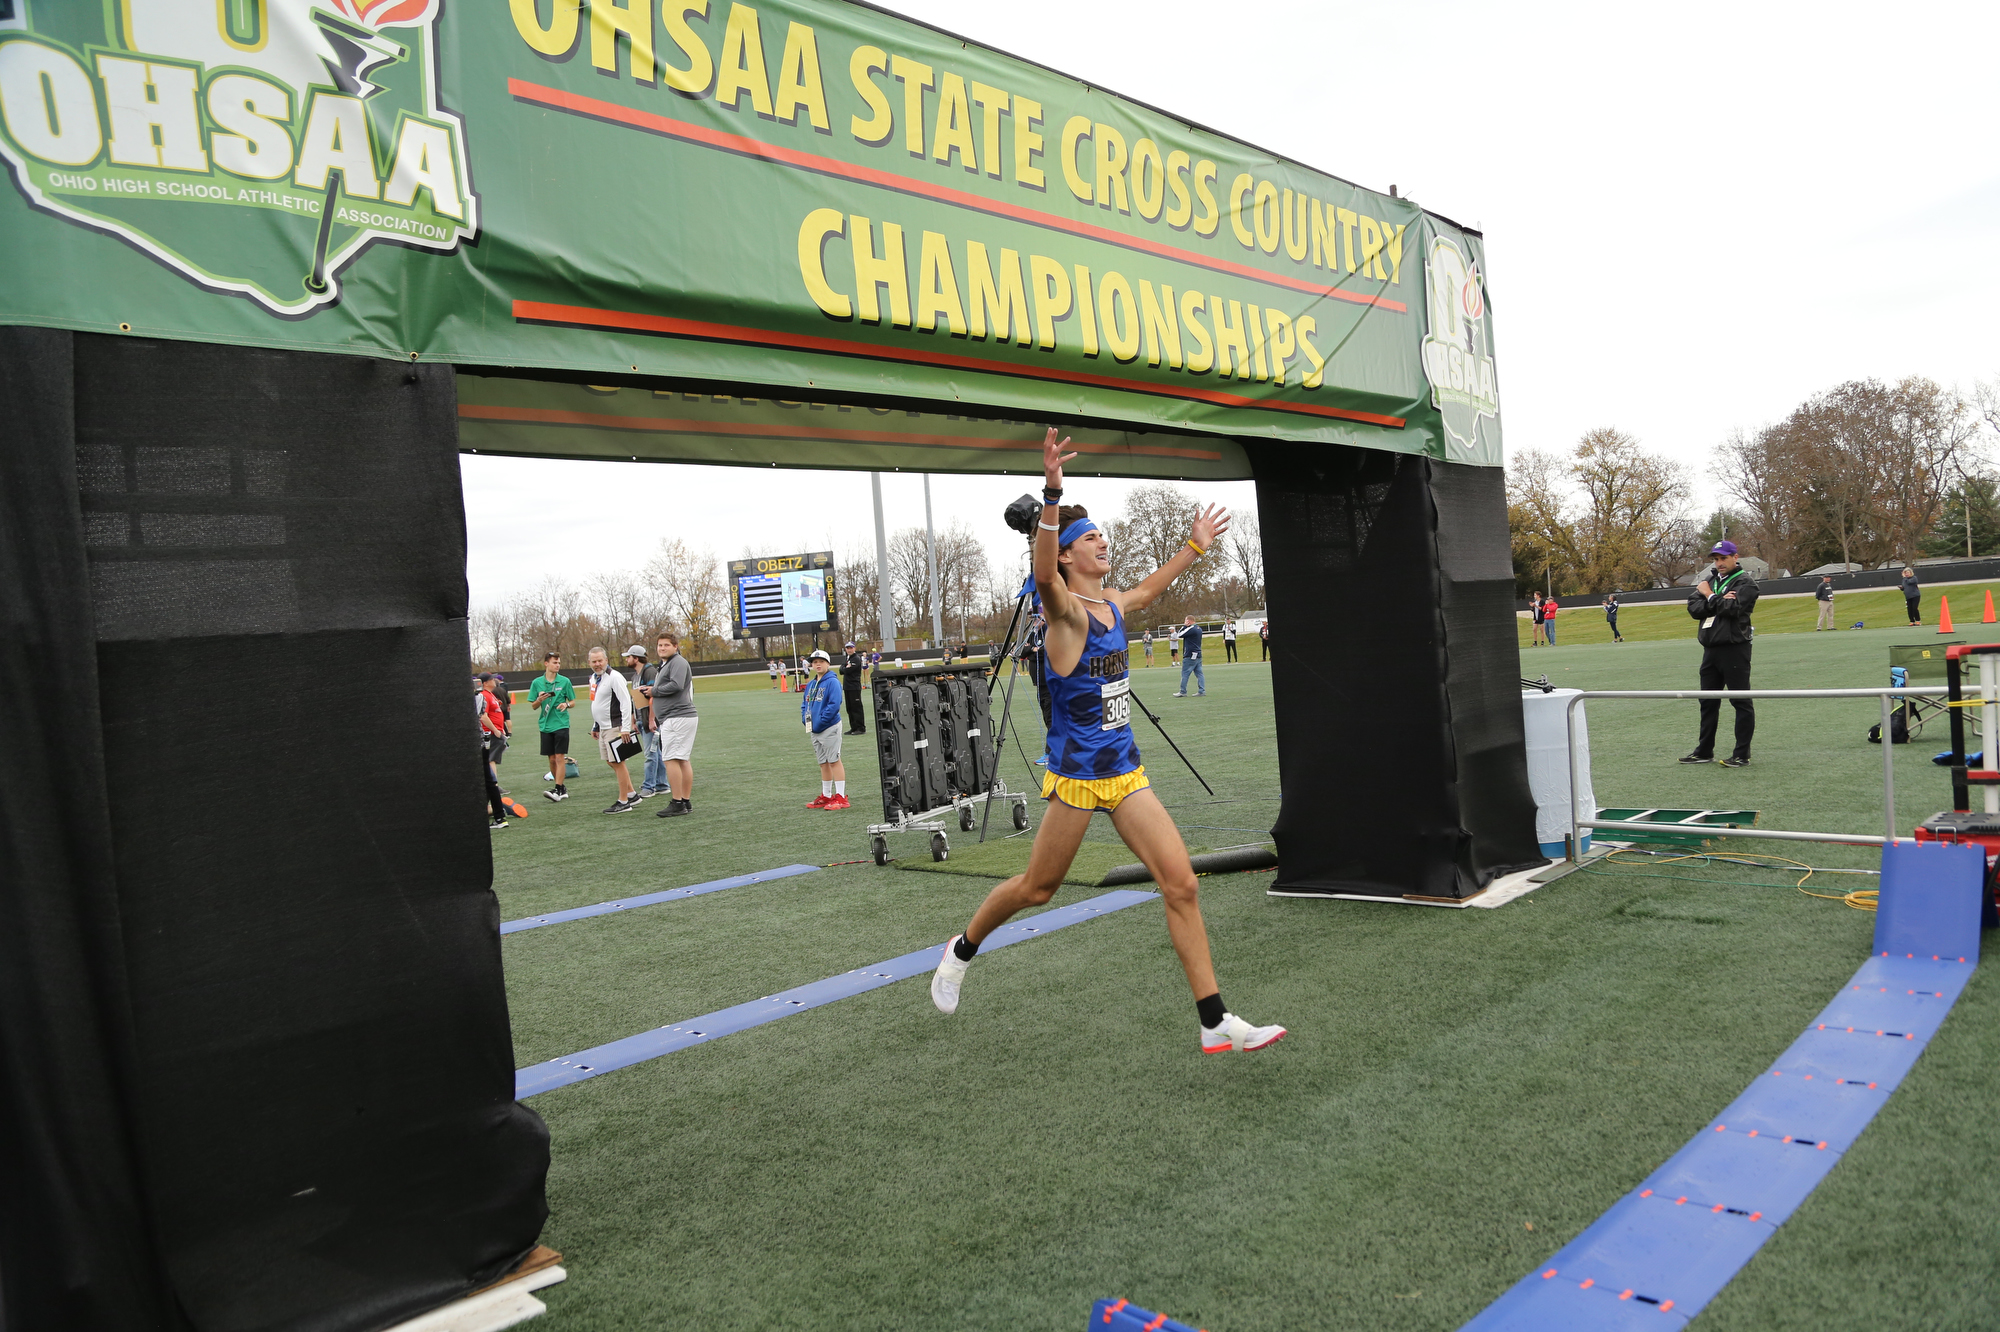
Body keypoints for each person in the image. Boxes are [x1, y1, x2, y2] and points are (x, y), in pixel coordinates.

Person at [930, 428, 1285, 1054]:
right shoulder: (1061, 610)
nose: (1102, 540)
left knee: (1182, 884)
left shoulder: (1115, 605)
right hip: (1077, 774)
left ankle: (1213, 1019)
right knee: (1037, 888)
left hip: (1125, 771)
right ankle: (961, 949)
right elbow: (1042, 574)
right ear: (1068, 556)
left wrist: (1193, 547)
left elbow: (1150, 589)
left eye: (1101, 534)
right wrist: (1052, 493)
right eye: (1089, 537)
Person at [1681, 540, 1760, 768]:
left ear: (1735, 557)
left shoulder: (1746, 583)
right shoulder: (1710, 581)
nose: (1719, 563)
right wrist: (1713, 598)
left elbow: (1733, 610)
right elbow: (1693, 608)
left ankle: (1742, 754)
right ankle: (1704, 751)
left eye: (1723, 558)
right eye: (1715, 559)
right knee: (1707, 701)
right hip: (1710, 650)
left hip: (1735, 649)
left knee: (1740, 701)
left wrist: (1709, 597)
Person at [650, 632, 698, 818]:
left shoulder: (677, 662)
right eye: (660, 645)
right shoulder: (667, 664)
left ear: (675, 646)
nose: (662, 648)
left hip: (677, 717)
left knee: (671, 759)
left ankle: (677, 802)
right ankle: (685, 800)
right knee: (682, 759)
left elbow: (676, 685)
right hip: (677, 717)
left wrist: (653, 691)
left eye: (666, 645)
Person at [587, 646, 639, 812]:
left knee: (618, 762)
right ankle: (632, 794)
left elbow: (625, 702)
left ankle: (623, 801)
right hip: (602, 727)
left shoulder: (615, 677)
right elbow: (595, 702)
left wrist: (625, 728)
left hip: (615, 726)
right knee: (611, 761)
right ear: (589, 663)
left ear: (606, 660)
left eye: (600, 660)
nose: (597, 664)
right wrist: (595, 725)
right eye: (594, 661)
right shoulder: (593, 679)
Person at [801, 648, 848, 810]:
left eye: (821, 661)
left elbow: (834, 705)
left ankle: (841, 797)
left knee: (834, 760)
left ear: (827, 663)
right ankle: (826, 795)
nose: (817, 665)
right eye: (815, 662)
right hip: (814, 729)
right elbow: (805, 704)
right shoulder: (812, 684)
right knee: (823, 763)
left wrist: (820, 722)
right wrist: (804, 719)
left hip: (829, 727)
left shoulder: (832, 682)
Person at [527, 653, 575, 802]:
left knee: (560, 757)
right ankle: (561, 787)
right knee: (552, 759)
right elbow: (533, 706)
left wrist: (566, 704)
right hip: (545, 725)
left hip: (561, 723)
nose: (558, 665)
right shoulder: (537, 683)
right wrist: (539, 700)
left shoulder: (565, 681)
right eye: (555, 663)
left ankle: (558, 789)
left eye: (559, 663)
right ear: (546, 664)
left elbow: (572, 701)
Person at [633, 644, 668, 798]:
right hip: (641, 719)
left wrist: (652, 719)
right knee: (656, 752)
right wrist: (634, 719)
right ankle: (662, 784)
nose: (626, 659)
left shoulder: (649, 672)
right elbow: (636, 698)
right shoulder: (636, 675)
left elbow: (654, 695)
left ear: (636, 658)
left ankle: (649, 787)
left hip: (649, 720)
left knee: (650, 754)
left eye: (629, 656)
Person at [478, 679, 509, 831]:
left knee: (489, 777)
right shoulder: (483, 696)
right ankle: (498, 815)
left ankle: (496, 814)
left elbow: (483, 716)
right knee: (490, 780)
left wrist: (497, 730)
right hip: (483, 739)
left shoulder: (483, 696)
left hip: (479, 741)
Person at [1173, 615, 1205, 697]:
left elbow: (1179, 634)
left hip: (1190, 654)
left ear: (1189, 621)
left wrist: (1184, 626)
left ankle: (1183, 691)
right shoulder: (1199, 628)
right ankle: (1202, 690)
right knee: (1199, 673)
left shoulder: (1191, 629)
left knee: (1185, 673)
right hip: (1198, 654)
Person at [841, 641, 868, 734]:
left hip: (854, 687)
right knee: (850, 708)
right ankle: (853, 727)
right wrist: (845, 667)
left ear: (854, 648)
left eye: (851, 648)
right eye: (847, 648)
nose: (849, 650)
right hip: (847, 686)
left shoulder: (856, 659)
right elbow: (841, 670)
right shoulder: (848, 658)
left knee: (856, 708)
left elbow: (848, 671)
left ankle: (860, 728)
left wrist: (845, 668)